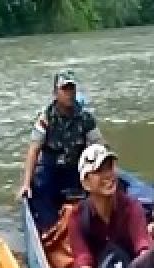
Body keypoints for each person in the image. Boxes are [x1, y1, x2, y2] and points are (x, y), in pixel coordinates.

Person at [56, 144, 152, 268]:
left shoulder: (131, 208)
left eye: (110, 168)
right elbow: (83, 265)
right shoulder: (77, 217)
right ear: (86, 183)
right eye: (99, 171)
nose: (108, 175)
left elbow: (144, 251)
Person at [18, 70, 103, 231]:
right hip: (52, 171)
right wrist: (26, 184)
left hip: (75, 169)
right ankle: (51, 228)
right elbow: (34, 150)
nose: (69, 93)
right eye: (65, 89)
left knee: (97, 184)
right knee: (38, 187)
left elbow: (99, 144)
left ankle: (90, 222)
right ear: (55, 93)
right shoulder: (46, 118)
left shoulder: (85, 118)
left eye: (72, 89)